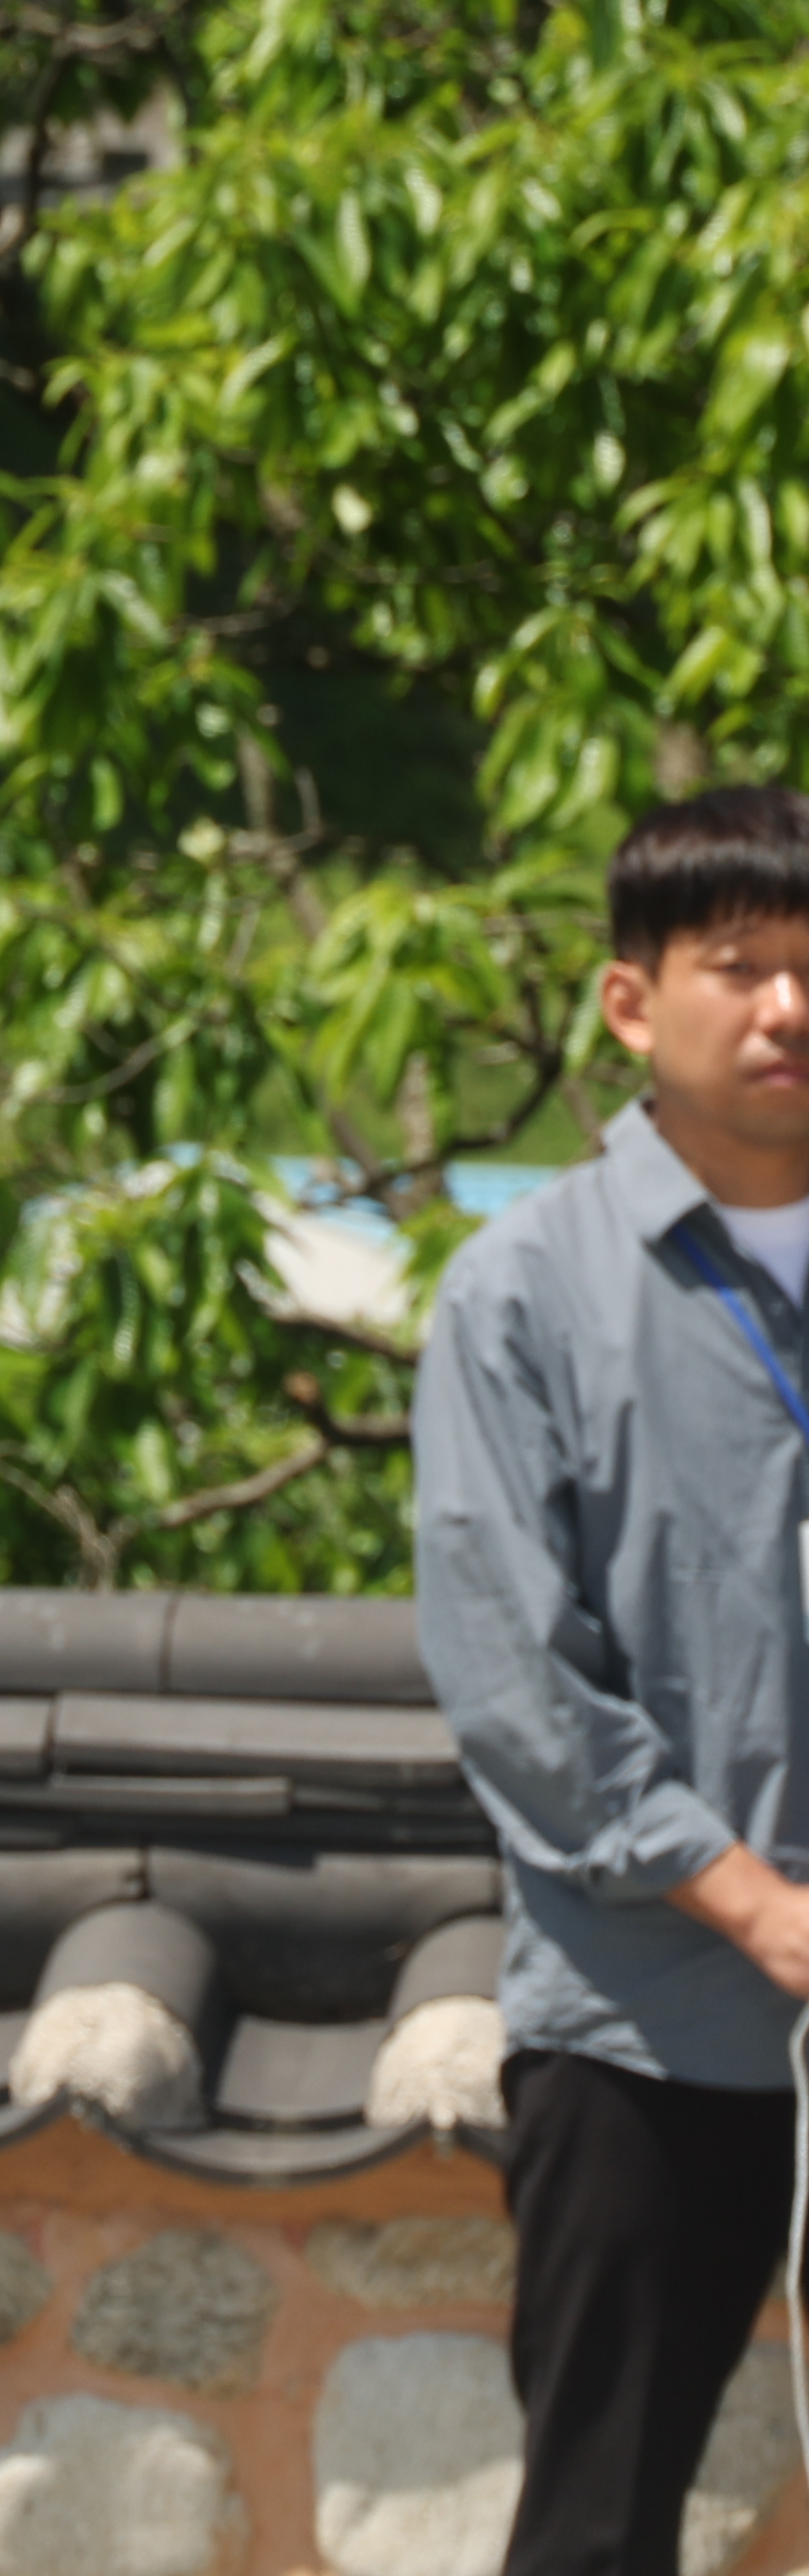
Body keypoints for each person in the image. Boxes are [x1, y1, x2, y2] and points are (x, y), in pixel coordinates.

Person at [416, 781, 809, 2576]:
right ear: (633, 1002)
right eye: (742, 967)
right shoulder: (523, 1294)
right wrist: (752, 1903)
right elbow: (513, 1681)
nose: (789, 1007)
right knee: (600, 2532)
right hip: (650, 2017)